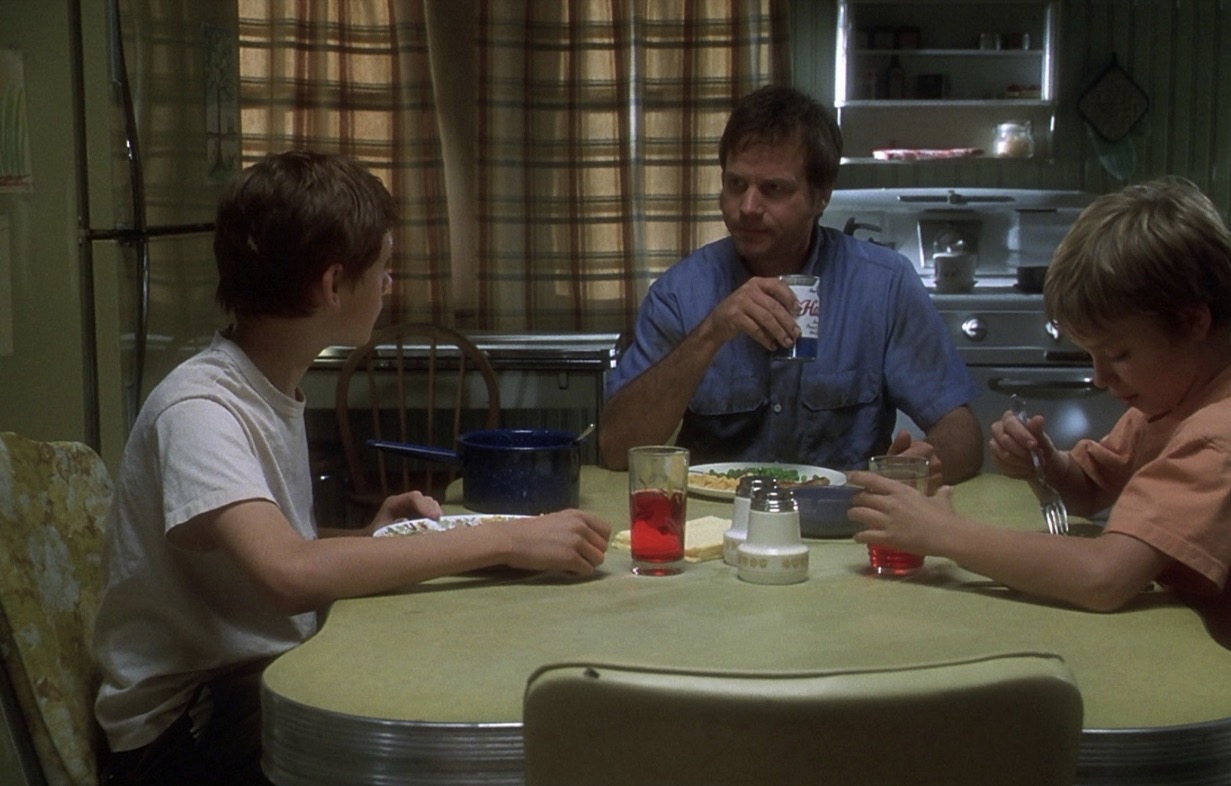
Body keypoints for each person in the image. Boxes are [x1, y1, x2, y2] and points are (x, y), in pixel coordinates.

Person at [92, 150, 611, 785]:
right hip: (182, 730)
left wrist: (367, 540)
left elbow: (263, 549)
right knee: (426, 746)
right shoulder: (200, 409)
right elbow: (288, 573)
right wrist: (504, 538)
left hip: (242, 684)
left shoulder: (265, 384)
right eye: (384, 269)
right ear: (333, 285)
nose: (389, 286)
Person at [847, 177, 1231, 785]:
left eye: (1118, 354)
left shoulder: (1222, 437)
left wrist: (943, 534)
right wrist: (1047, 464)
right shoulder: (1180, 401)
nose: (1101, 377)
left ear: (1192, 321)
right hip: (1196, 684)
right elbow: (1090, 488)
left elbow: (1105, 578)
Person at [598, 84, 982, 482]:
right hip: (714, 514)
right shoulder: (681, 293)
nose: (748, 207)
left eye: (774, 189)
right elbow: (616, 448)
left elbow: (964, 437)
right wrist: (711, 333)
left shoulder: (883, 286)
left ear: (820, 197)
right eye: (736, 184)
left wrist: (925, 463)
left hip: (844, 511)